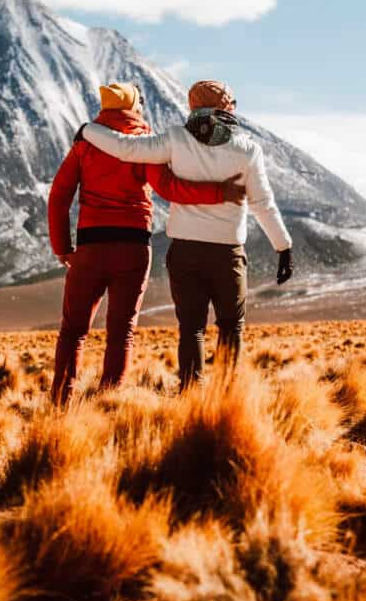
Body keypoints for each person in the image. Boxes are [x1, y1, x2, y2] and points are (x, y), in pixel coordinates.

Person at [79, 79, 293, 389]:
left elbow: (126, 149)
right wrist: (282, 246)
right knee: (231, 327)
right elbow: (262, 203)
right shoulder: (247, 150)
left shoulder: (176, 140)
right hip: (227, 254)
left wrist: (88, 130)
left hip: (185, 253)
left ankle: (190, 393)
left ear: (192, 107)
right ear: (227, 107)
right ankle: (226, 398)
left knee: (191, 328)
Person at [48, 81, 246, 404]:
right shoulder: (144, 143)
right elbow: (168, 188)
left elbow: (58, 196)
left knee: (73, 330)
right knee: (121, 331)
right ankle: (109, 401)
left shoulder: (85, 145)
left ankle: (60, 404)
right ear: (134, 107)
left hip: (89, 247)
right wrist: (218, 192)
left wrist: (62, 248)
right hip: (133, 247)